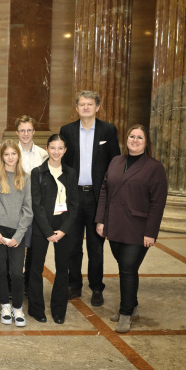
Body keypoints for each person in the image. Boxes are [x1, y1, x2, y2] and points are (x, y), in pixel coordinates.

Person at [95, 125, 168, 333]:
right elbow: (104, 191)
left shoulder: (154, 167)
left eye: (140, 137)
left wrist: (151, 232)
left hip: (138, 228)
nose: (135, 140)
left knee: (127, 268)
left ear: (146, 142)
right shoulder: (116, 161)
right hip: (115, 224)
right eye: (132, 136)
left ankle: (125, 313)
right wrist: (101, 220)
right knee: (126, 268)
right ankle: (132, 305)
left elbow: (157, 203)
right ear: (126, 139)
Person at [60, 90, 120, 307]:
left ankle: (96, 287)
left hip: (97, 198)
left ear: (97, 107)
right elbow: (62, 163)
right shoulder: (67, 131)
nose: (86, 107)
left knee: (96, 246)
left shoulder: (108, 130)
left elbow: (115, 163)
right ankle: (74, 285)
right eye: (82, 104)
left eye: (90, 104)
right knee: (73, 245)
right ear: (76, 108)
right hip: (74, 197)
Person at [28, 134, 79, 324]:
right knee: (35, 268)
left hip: (64, 225)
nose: (56, 152)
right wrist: (47, 231)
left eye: (60, 148)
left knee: (63, 268)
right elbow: (36, 204)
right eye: (52, 148)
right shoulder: (37, 172)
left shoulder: (71, 173)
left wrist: (64, 229)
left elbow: (74, 204)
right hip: (42, 226)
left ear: (65, 150)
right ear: (47, 149)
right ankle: (36, 308)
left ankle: (59, 310)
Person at [0, 141, 32, 327]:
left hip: (17, 232)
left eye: (13, 153)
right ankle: (5, 306)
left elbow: (28, 209)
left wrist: (19, 235)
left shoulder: (25, 178)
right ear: (1, 156)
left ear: (18, 156)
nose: (10, 157)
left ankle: (17, 307)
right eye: (6, 154)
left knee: (16, 272)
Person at [15, 115, 49, 291]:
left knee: (34, 250)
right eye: (22, 130)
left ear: (34, 131)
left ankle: (29, 285)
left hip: (36, 209)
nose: (26, 134)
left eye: (29, 130)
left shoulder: (43, 155)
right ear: (17, 132)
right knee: (16, 248)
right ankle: (14, 284)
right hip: (15, 209)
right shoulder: (11, 153)